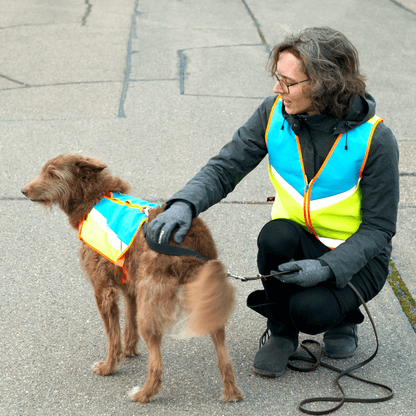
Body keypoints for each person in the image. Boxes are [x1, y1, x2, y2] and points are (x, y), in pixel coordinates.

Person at [147, 27, 399, 378]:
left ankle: (345, 317)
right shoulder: (274, 113)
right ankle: (282, 331)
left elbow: (379, 229)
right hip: (297, 241)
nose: (277, 89)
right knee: (274, 236)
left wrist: (327, 268)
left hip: (358, 259)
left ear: (326, 83)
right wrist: (184, 204)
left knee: (312, 311)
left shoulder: (376, 139)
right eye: (277, 78)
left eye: (288, 82)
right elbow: (225, 166)